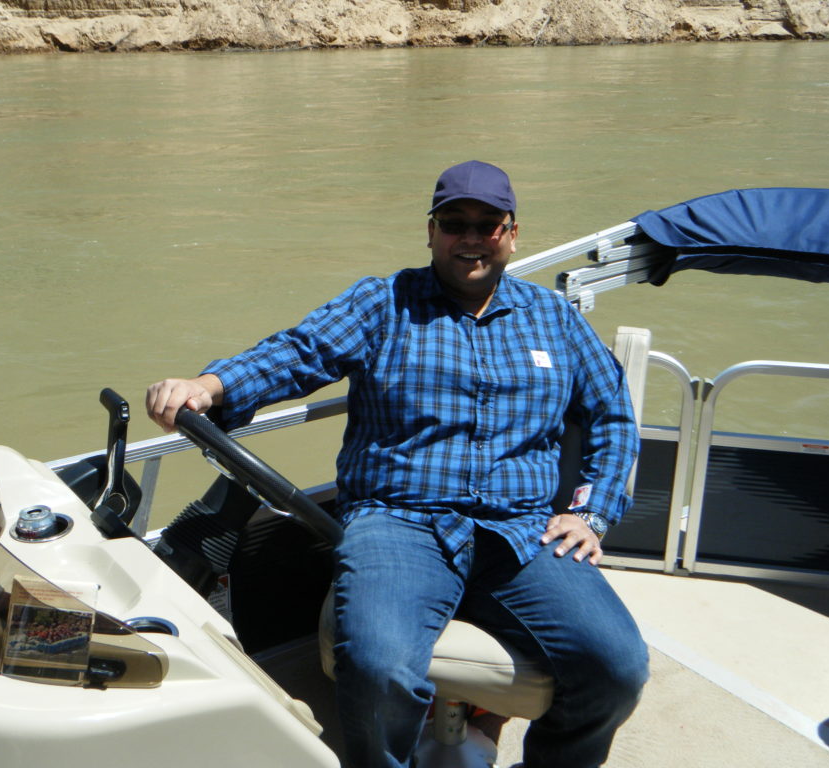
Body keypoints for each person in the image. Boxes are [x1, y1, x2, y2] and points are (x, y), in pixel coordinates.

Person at [147, 160, 649, 768]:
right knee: (378, 668)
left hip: (522, 529)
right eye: (454, 222)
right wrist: (211, 385)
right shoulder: (381, 302)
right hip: (398, 522)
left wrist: (591, 513)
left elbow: (612, 417)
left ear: (512, 234)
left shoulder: (556, 319)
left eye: (487, 224)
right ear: (431, 231)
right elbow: (298, 352)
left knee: (617, 668)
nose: (470, 236)